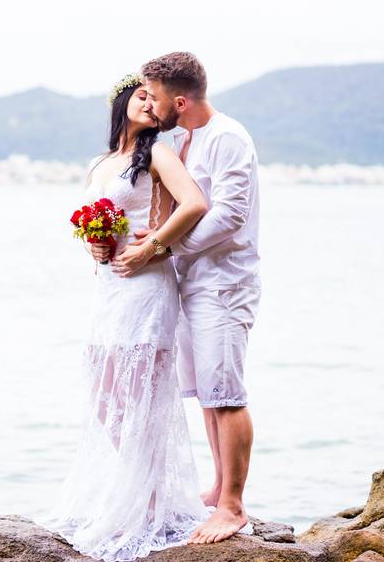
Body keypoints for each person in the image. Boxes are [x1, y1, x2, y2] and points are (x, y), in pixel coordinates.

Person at [37, 72, 211, 561]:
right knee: (105, 392)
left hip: (147, 284)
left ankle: (150, 504)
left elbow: (195, 203)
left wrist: (152, 247)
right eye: (141, 96)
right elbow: (103, 221)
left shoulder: (157, 152)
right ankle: (139, 490)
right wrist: (96, 243)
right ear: (120, 102)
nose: (150, 105)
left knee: (141, 395)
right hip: (109, 287)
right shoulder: (101, 163)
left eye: (154, 100)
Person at [113, 51, 262, 544]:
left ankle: (233, 506)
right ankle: (220, 487)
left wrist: (164, 247)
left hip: (224, 283)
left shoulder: (228, 138)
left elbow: (229, 216)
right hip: (190, 282)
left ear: (180, 99)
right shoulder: (184, 139)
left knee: (228, 393)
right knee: (205, 393)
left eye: (154, 97)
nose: (149, 105)